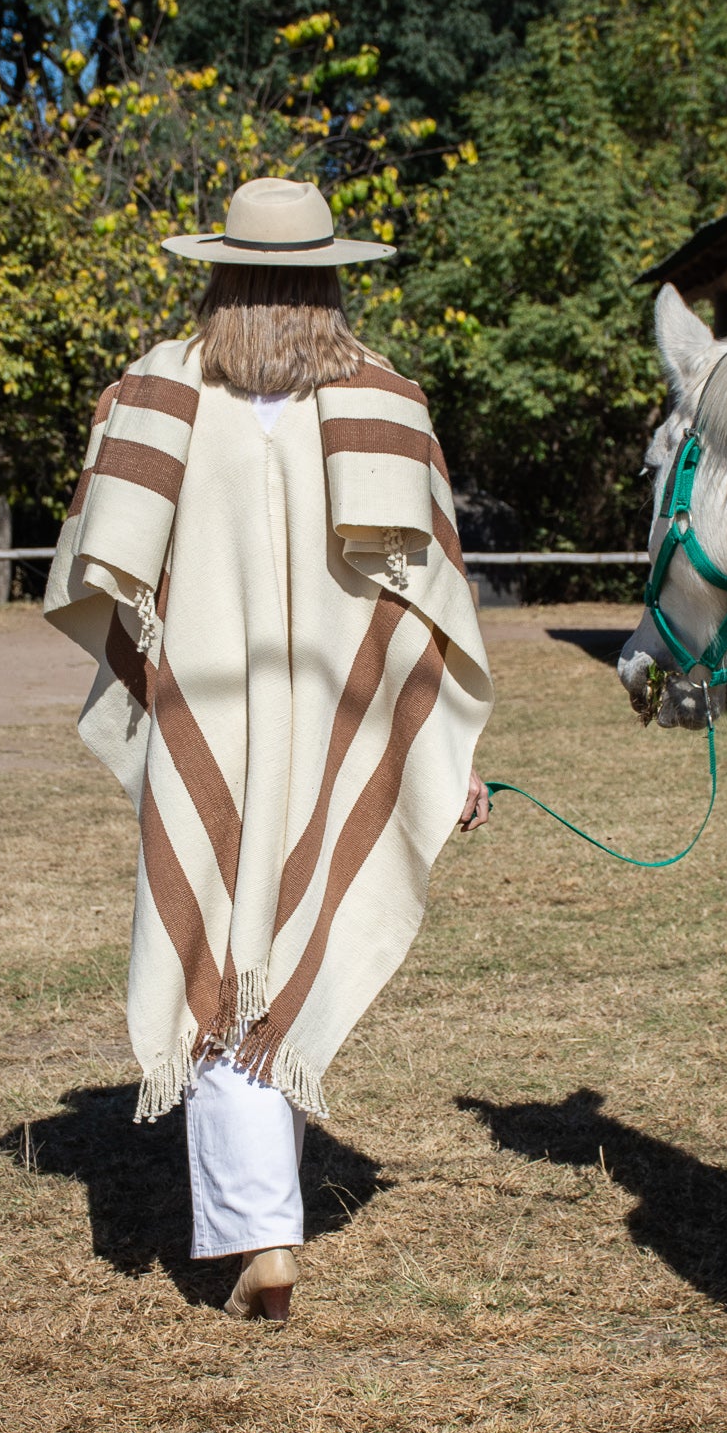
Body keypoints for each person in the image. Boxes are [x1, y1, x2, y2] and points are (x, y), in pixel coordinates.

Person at [45, 177, 493, 1322]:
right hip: (331, 720)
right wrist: (443, 753)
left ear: (221, 271)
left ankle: (262, 1237)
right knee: (283, 931)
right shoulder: (386, 401)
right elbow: (430, 610)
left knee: (218, 927)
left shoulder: (156, 392)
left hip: (205, 703)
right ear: (334, 275)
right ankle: (265, 1228)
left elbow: (109, 566)